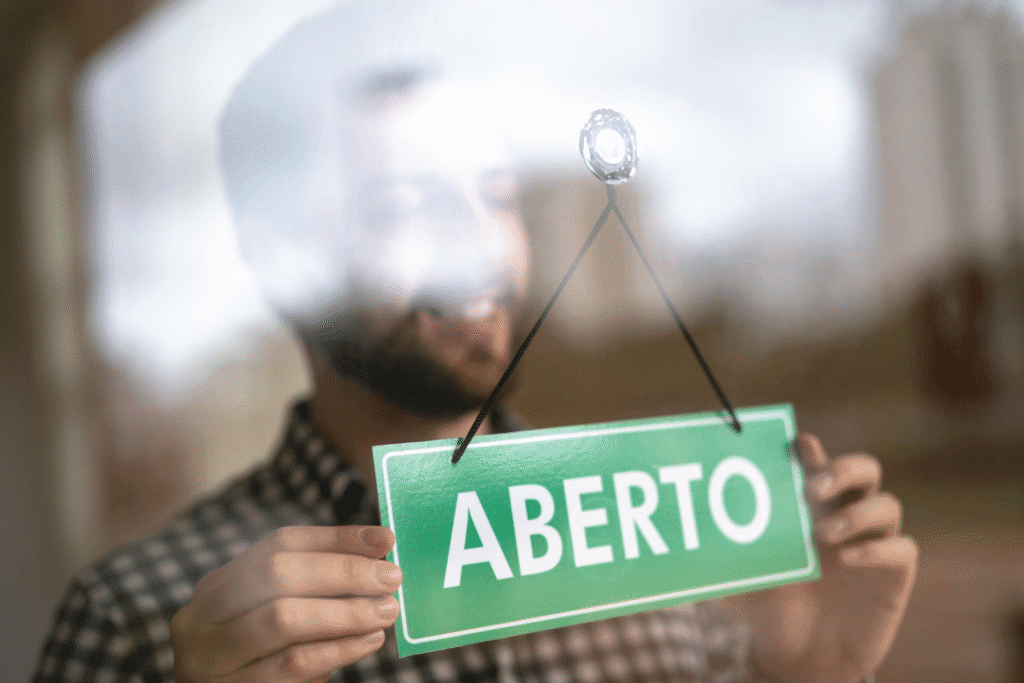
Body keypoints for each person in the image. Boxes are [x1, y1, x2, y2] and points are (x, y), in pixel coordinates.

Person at [32, 5, 917, 683]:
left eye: (495, 198)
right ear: (283, 259)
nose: (481, 252)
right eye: (407, 208)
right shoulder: (136, 621)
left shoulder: (653, 551)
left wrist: (809, 671)